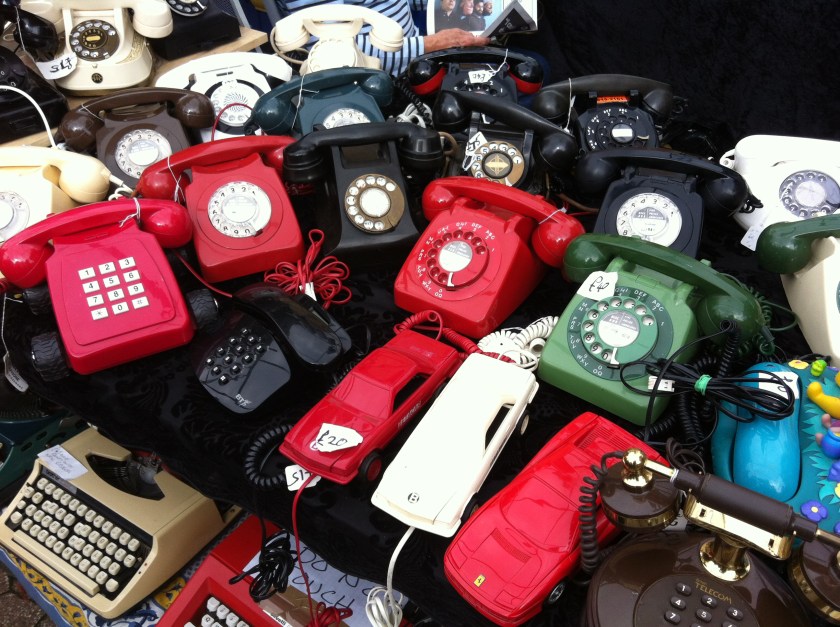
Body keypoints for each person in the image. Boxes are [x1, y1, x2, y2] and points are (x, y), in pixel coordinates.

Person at [265, 0, 490, 76]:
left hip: (418, 57)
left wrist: (446, 3)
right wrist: (430, 45)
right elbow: (331, 50)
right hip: (381, 78)